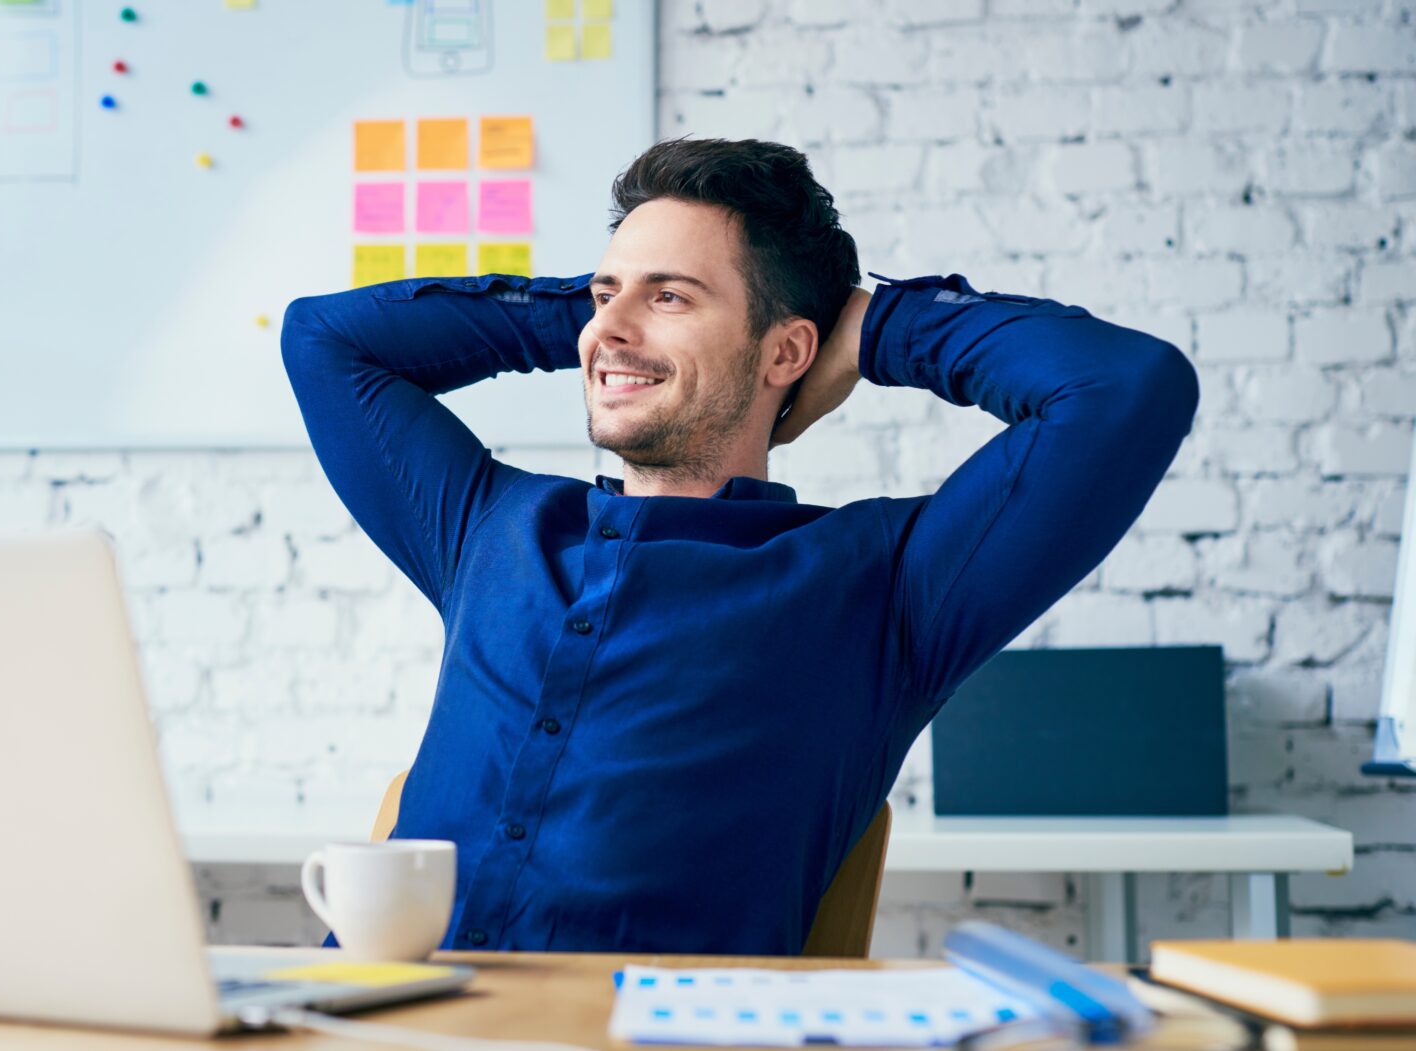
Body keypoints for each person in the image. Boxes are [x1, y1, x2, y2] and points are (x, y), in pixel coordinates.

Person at [280, 136, 1199, 955]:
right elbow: (324, 338)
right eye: (607, 292)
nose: (608, 327)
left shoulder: (886, 585)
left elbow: (1124, 386)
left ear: (787, 351)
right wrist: (607, 316)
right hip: (364, 1018)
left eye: (672, 295)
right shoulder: (490, 525)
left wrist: (875, 327)